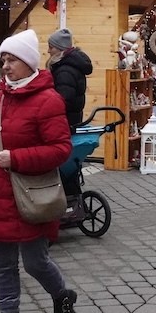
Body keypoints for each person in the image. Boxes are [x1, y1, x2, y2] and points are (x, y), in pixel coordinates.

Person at [0, 29, 78, 313]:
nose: (6, 65)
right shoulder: (0, 97)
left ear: (29, 62)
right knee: (3, 265)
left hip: (30, 195)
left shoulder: (48, 100)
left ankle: (62, 295)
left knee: (34, 262)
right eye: (3, 59)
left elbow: (60, 149)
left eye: (12, 59)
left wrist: (17, 159)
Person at [47, 28, 93, 199]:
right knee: (69, 165)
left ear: (59, 49)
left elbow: (62, 100)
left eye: (51, 47)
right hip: (72, 120)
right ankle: (73, 198)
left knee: (62, 162)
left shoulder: (64, 70)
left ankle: (67, 199)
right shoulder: (72, 65)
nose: (48, 51)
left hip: (64, 122)